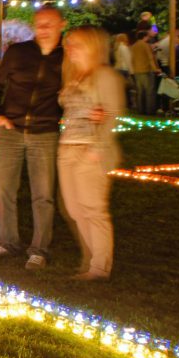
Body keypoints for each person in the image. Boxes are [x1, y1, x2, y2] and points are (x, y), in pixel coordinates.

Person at [0, 6, 66, 270]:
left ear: (61, 25)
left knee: (43, 194)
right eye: (39, 24)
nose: (43, 29)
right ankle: (8, 241)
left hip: (45, 132)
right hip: (11, 130)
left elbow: (78, 87)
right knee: (3, 186)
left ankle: (39, 249)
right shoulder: (19, 53)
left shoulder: (67, 58)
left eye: (48, 24)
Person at [57, 26, 124, 281]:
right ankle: (91, 259)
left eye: (76, 44)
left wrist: (96, 150)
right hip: (67, 149)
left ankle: (99, 266)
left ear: (93, 47)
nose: (70, 49)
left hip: (89, 150)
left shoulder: (105, 76)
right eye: (69, 44)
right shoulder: (73, 74)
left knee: (93, 209)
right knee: (74, 210)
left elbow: (112, 115)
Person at [130, 31, 159, 115]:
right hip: (146, 70)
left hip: (137, 71)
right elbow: (150, 58)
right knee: (149, 92)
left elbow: (132, 59)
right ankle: (150, 110)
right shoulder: (146, 45)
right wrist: (155, 69)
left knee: (140, 92)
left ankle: (140, 110)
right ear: (145, 37)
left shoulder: (134, 46)